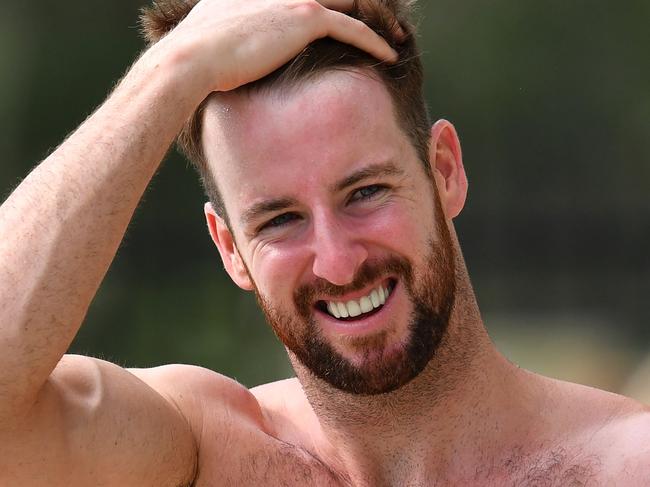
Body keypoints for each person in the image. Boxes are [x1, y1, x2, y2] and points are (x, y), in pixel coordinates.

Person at [1, 0, 648, 485]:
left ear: (444, 169)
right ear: (229, 248)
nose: (338, 262)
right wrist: (175, 68)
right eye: (279, 219)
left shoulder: (624, 462)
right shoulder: (201, 453)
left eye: (365, 192)